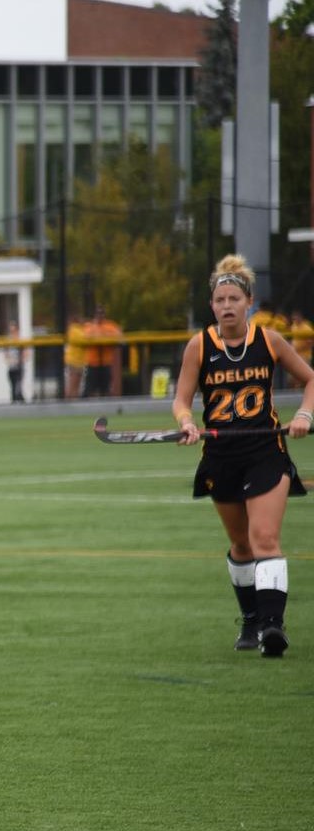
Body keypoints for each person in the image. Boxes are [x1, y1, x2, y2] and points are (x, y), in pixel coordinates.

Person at [174, 255, 314, 658]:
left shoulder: (270, 341)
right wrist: (186, 423)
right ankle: (251, 619)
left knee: (264, 537)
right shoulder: (199, 346)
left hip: (265, 450)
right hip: (221, 455)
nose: (227, 306)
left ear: (248, 300)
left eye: (234, 298)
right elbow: (182, 401)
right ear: (212, 305)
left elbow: (310, 381)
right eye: (220, 299)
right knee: (241, 545)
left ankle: (273, 626)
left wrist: (304, 414)